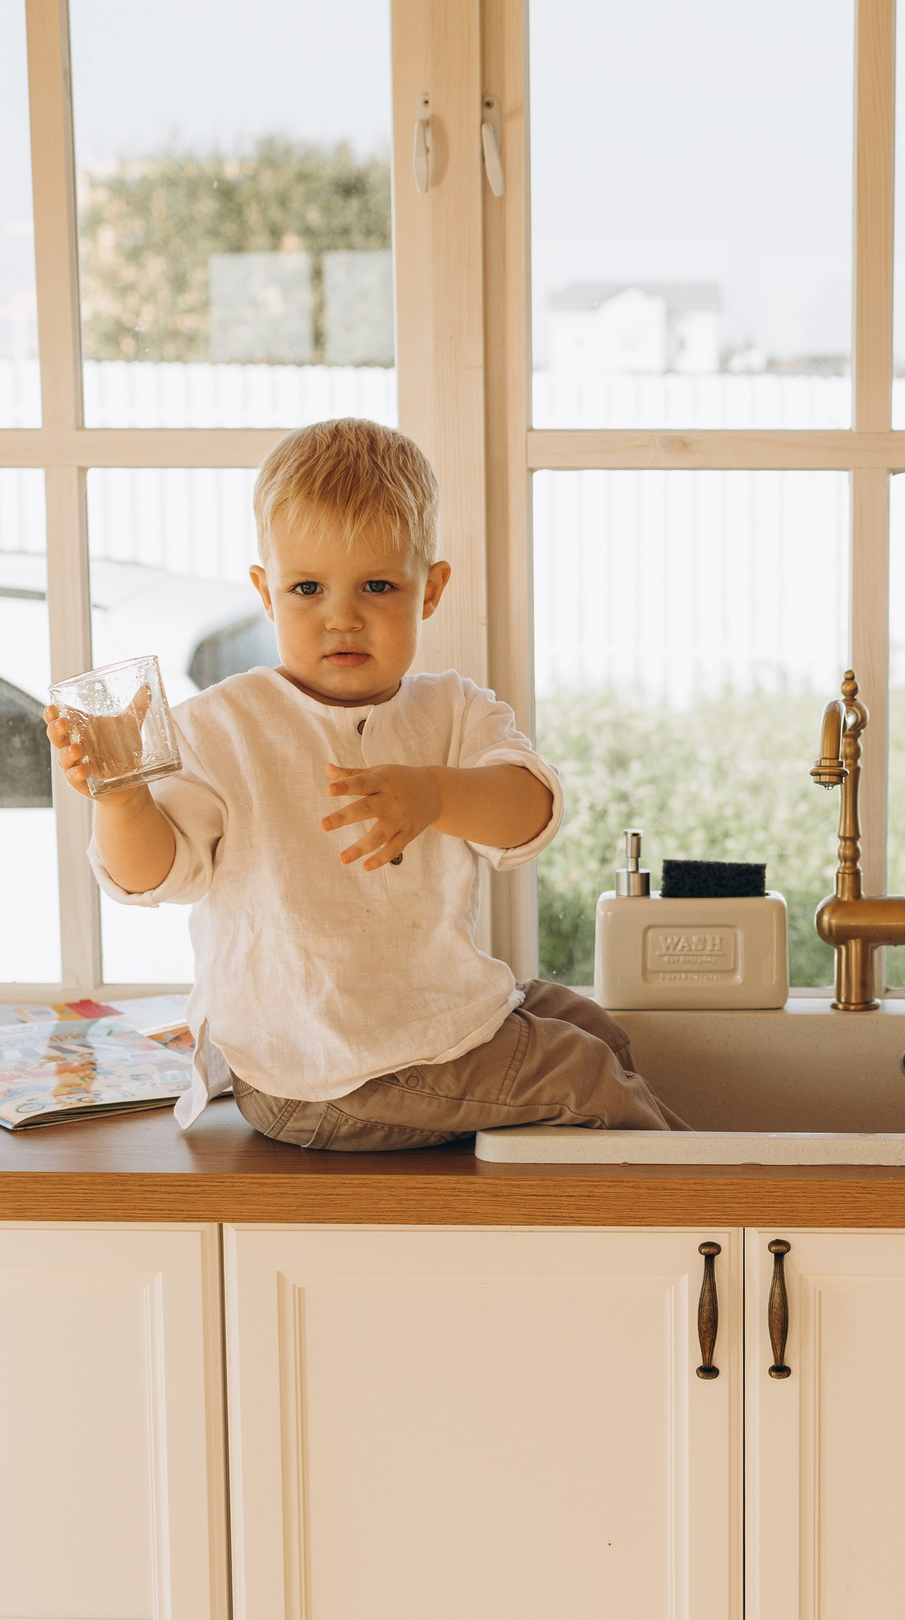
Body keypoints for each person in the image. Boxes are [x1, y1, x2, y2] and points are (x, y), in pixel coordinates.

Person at [49, 418, 688, 1148]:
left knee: (596, 1029)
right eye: (307, 588)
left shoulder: (454, 710)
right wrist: (122, 796)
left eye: (378, 586)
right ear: (266, 593)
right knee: (585, 1072)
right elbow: (152, 876)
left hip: (417, 1021)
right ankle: (718, 1196)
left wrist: (438, 794)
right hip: (320, 1072)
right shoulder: (220, 726)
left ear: (431, 590)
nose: (343, 617)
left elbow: (531, 812)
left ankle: (673, 1172)